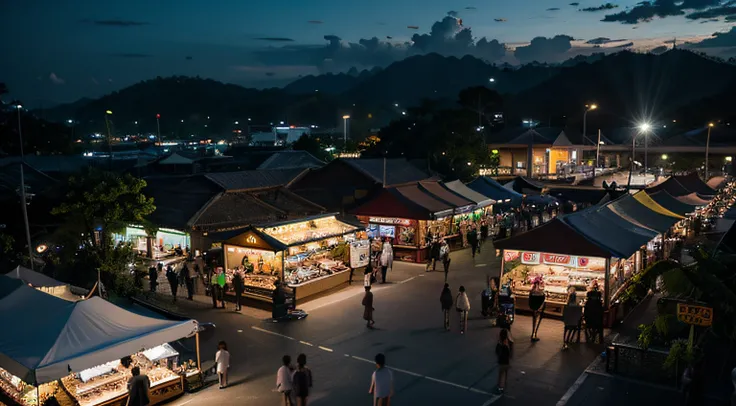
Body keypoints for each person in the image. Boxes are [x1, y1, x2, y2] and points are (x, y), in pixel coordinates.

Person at [495, 328, 512, 395]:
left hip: (502, 362)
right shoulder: (507, 343)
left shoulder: (500, 343)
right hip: (506, 362)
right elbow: (508, 353)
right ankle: (503, 384)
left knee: (501, 374)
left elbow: (497, 351)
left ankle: (500, 386)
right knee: (505, 374)